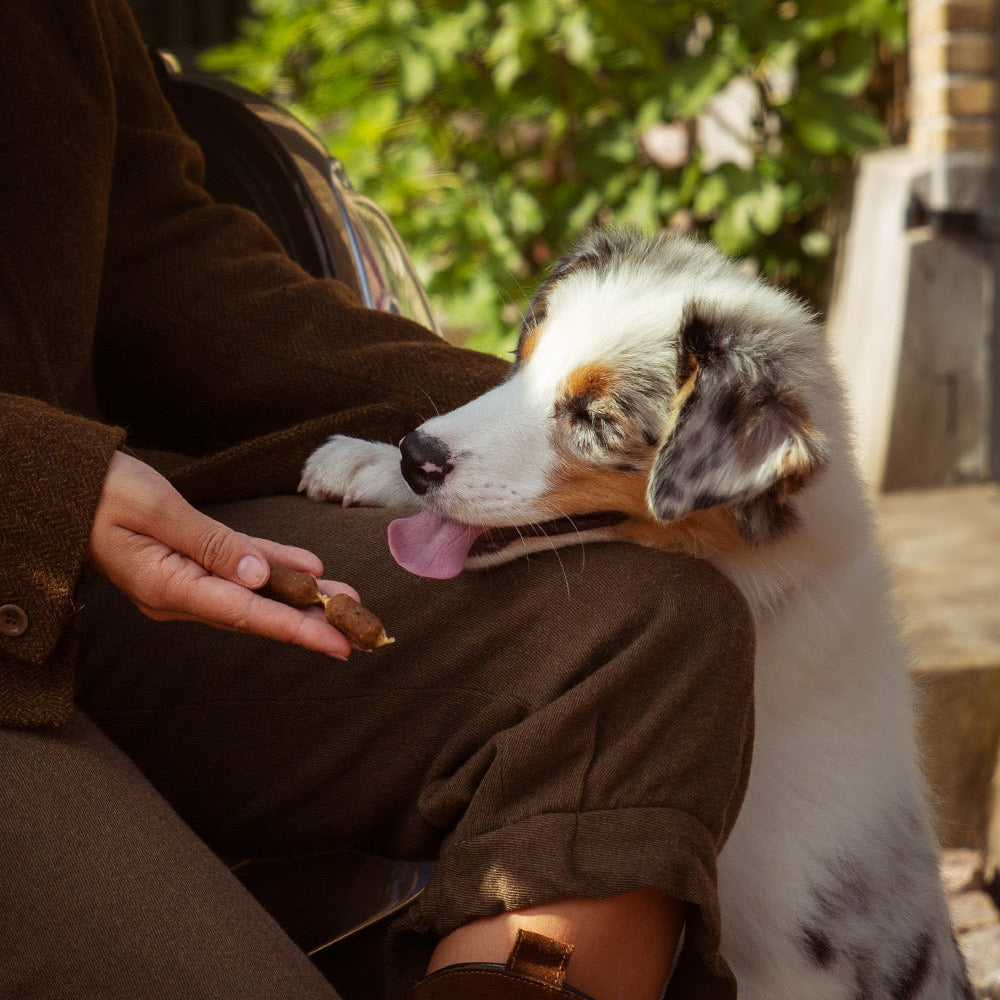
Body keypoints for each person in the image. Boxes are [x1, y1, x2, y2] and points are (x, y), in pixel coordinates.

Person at [0, 3, 756, 999]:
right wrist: (37, 478)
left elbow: (160, 260)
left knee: (650, 632)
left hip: (87, 587)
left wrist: (517, 417)